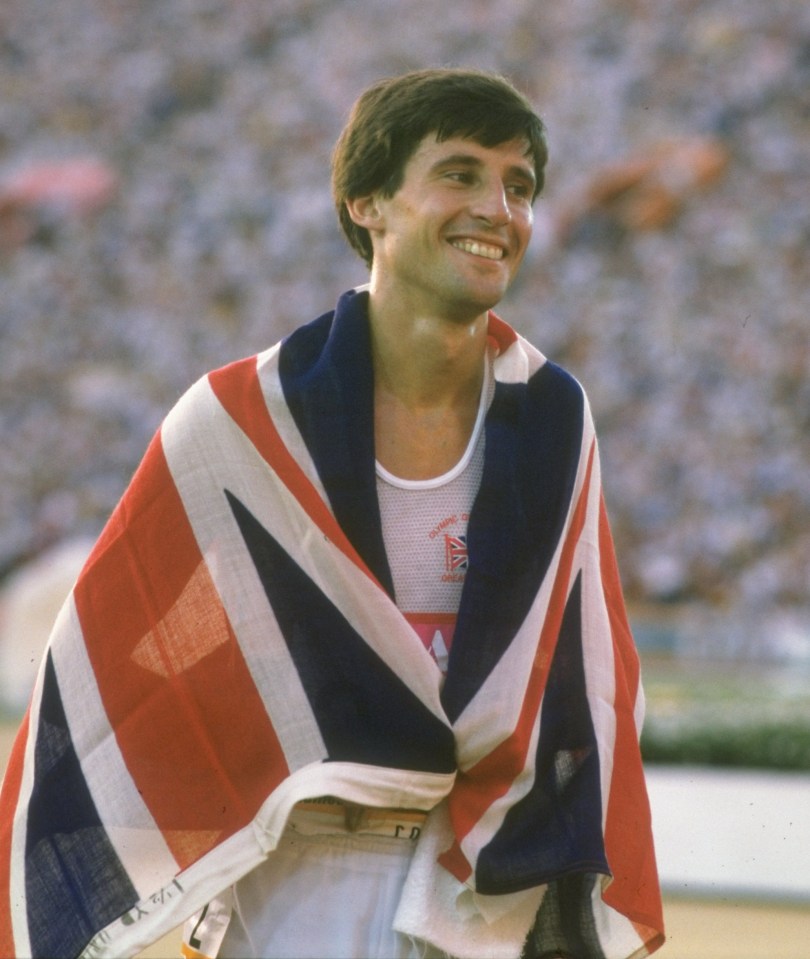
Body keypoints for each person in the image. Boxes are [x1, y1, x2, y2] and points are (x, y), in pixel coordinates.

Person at [0, 69, 664, 959]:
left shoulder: (553, 418)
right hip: (297, 887)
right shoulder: (241, 418)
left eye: (519, 185)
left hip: (479, 895)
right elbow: (112, 665)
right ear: (368, 203)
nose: (497, 208)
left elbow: (585, 678)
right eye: (460, 174)